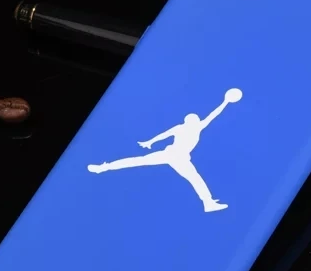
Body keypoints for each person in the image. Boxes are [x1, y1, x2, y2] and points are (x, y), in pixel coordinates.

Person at [88, 88, 242, 212]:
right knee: (138, 161)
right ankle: (103, 167)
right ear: (187, 121)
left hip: (180, 157)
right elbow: (164, 135)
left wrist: (225, 102)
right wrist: (150, 142)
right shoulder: (181, 128)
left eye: (196, 119)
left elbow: (213, 115)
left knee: (195, 179)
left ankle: (208, 203)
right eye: (192, 119)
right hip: (172, 154)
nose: (195, 120)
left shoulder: (198, 127)